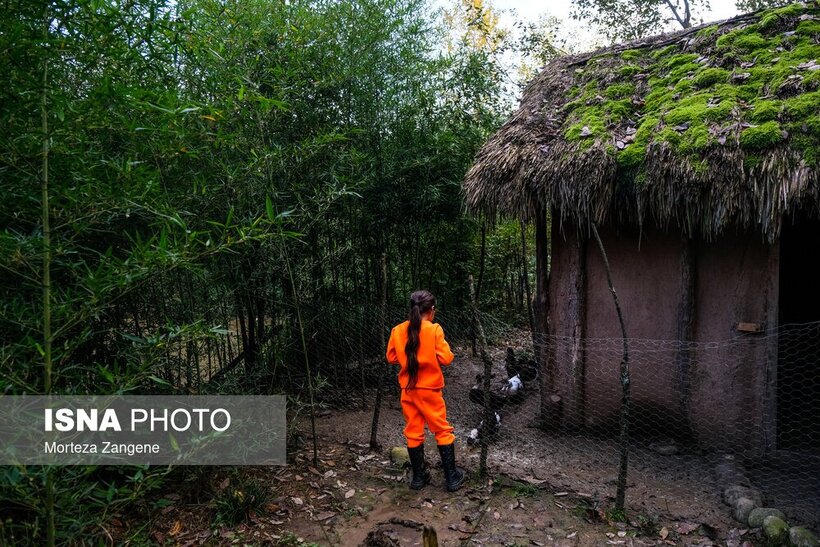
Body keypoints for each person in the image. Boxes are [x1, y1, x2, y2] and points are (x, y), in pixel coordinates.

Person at [385, 290, 466, 492]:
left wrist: (408, 359)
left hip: (408, 390)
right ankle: (452, 478)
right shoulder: (434, 329)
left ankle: (419, 478)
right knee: (441, 430)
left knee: (413, 431)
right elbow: (447, 358)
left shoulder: (397, 330)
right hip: (429, 390)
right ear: (431, 310)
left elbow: (391, 357)